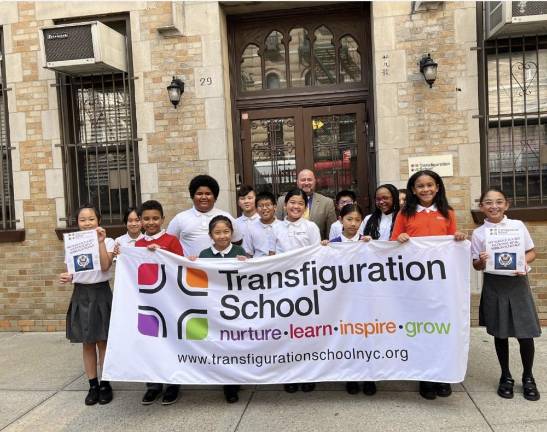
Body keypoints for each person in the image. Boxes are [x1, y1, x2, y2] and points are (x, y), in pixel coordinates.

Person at [390, 170, 466, 400]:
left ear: (437, 187)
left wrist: (459, 238)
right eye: (420, 186)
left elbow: (453, 243)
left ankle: (443, 376)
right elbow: (392, 242)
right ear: (413, 190)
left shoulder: (448, 213)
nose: (425, 189)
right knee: (422, 330)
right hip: (415, 285)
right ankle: (425, 377)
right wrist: (400, 239)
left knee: (442, 329)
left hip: (441, 286)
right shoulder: (405, 213)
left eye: (429, 185)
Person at [471, 188, 541, 401]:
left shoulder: (517, 226)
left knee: (525, 333)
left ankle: (528, 377)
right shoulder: (479, 233)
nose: (494, 206)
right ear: (482, 206)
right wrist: (481, 261)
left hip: (517, 282)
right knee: (500, 333)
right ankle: (506, 376)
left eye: (499, 202)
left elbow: (532, 252)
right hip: (494, 284)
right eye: (488, 202)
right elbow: (476, 265)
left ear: (507, 205)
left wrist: (523, 262)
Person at [59, 204, 115, 406]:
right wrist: (67, 277)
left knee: (103, 341)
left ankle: (106, 383)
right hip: (81, 293)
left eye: (91, 219)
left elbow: (106, 265)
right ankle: (93, 384)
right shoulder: (72, 243)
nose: (87, 223)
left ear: (98, 220)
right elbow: (71, 271)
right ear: (77, 223)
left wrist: (99, 242)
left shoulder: (108, 241)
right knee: (88, 342)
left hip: (101, 292)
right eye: (83, 220)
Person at [323, 204, 376, 395]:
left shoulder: (368, 243)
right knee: (347, 338)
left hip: (365, 299)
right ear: (340, 220)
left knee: (368, 337)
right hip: (342, 301)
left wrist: (373, 245)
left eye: (357, 220)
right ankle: (352, 376)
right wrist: (323, 250)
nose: (353, 224)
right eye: (349, 219)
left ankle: (370, 377)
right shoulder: (332, 243)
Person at [272, 188, 321, 393]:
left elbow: (318, 257)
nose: (296, 207)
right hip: (283, 287)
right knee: (287, 332)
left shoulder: (311, 227)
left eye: (300, 203)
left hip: (307, 287)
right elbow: (271, 256)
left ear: (305, 207)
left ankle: (308, 373)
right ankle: (290, 373)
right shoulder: (275, 228)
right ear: (285, 205)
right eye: (292, 202)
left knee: (306, 332)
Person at [136, 200, 183, 406]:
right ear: (140, 221)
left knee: (170, 342)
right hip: (147, 304)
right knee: (150, 343)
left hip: (168, 303)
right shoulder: (137, 245)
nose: (151, 222)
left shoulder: (171, 240)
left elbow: (181, 266)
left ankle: (173, 382)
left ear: (163, 219)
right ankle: (153, 384)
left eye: (155, 218)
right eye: (146, 218)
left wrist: (162, 253)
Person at [195, 215, 247, 403]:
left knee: (236, 343)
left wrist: (247, 263)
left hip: (236, 308)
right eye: (217, 232)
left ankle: (237, 377)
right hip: (215, 308)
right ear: (210, 235)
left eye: (226, 232)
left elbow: (251, 277)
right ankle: (228, 382)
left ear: (232, 233)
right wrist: (191, 264)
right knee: (222, 344)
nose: (222, 236)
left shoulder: (240, 251)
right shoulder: (204, 255)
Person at [167, 174, 242, 257]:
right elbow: (168, 243)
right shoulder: (180, 218)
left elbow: (237, 241)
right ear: (192, 196)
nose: (204, 197)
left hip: (219, 268)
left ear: (215, 197)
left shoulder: (226, 217)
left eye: (208, 194)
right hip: (191, 268)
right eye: (199, 194)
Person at [276, 169, 336, 240]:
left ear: (315, 182)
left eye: (309, 180)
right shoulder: (282, 201)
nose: (306, 183)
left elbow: (332, 233)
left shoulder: (327, 203)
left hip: (316, 247)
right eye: (303, 180)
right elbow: (277, 226)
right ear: (297, 182)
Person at [242, 191, 280, 257]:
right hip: (259, 265)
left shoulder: (283, 226)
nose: (264, 208)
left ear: (275, 207)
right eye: (260, 206)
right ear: (256, 209)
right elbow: (248, 253)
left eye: (268, 205)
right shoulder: (250, 228)